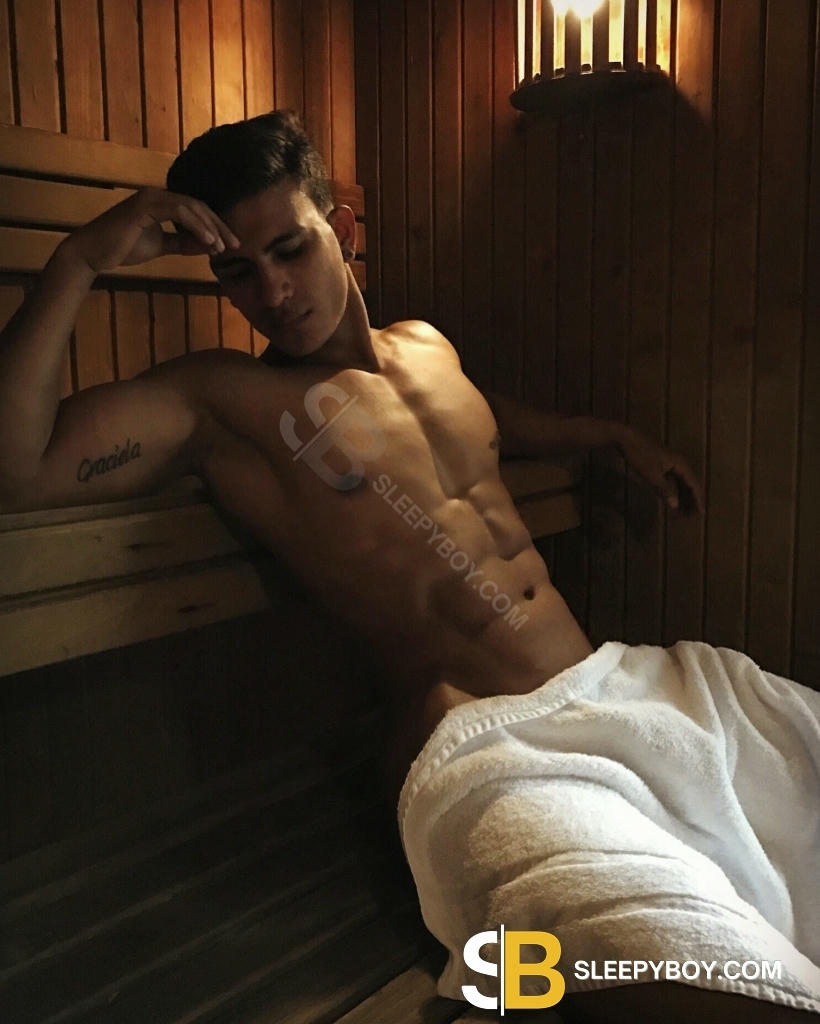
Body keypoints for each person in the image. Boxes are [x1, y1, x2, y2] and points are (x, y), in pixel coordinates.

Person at [0, 111, 816, 1022]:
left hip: (620, 686)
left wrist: (610, 436)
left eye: (289, 250)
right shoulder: (224, 404)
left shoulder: (427, 347)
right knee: (655, 965)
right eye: (239, 272)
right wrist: (78, 261)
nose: (272, 292)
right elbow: (17, 468)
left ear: (342, 229)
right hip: (491, 745)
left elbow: (490, 424)